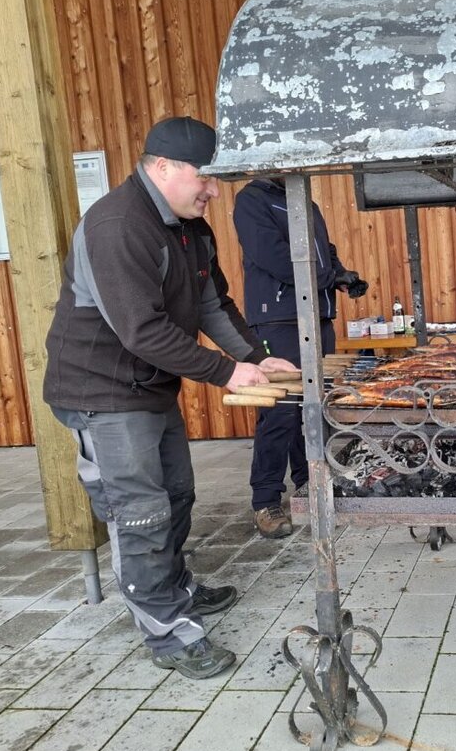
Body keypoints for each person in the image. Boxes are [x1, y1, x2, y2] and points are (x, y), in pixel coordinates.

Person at [43, 116, 297, 679]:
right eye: (205, 178)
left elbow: (213, 306)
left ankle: (175, 587)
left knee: (177, 495)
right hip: (100, 391)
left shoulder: (189, 227)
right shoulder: (117, 225)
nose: (213, 191)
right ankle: (165, 630)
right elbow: (141, 331)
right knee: (140, 512)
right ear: (162, 168)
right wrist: (227, 372)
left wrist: (255, 356)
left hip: (148, 385)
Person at [233, 178, 367, 538]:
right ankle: (265, 500)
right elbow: (272, 255)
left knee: (312, 404)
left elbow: (324, 249)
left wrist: (340, 274)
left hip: (317, 316)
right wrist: (327, 275)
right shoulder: (252, 199)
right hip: (278, 319)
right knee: (280, 410)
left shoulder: (303, 200)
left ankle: (309, 481)